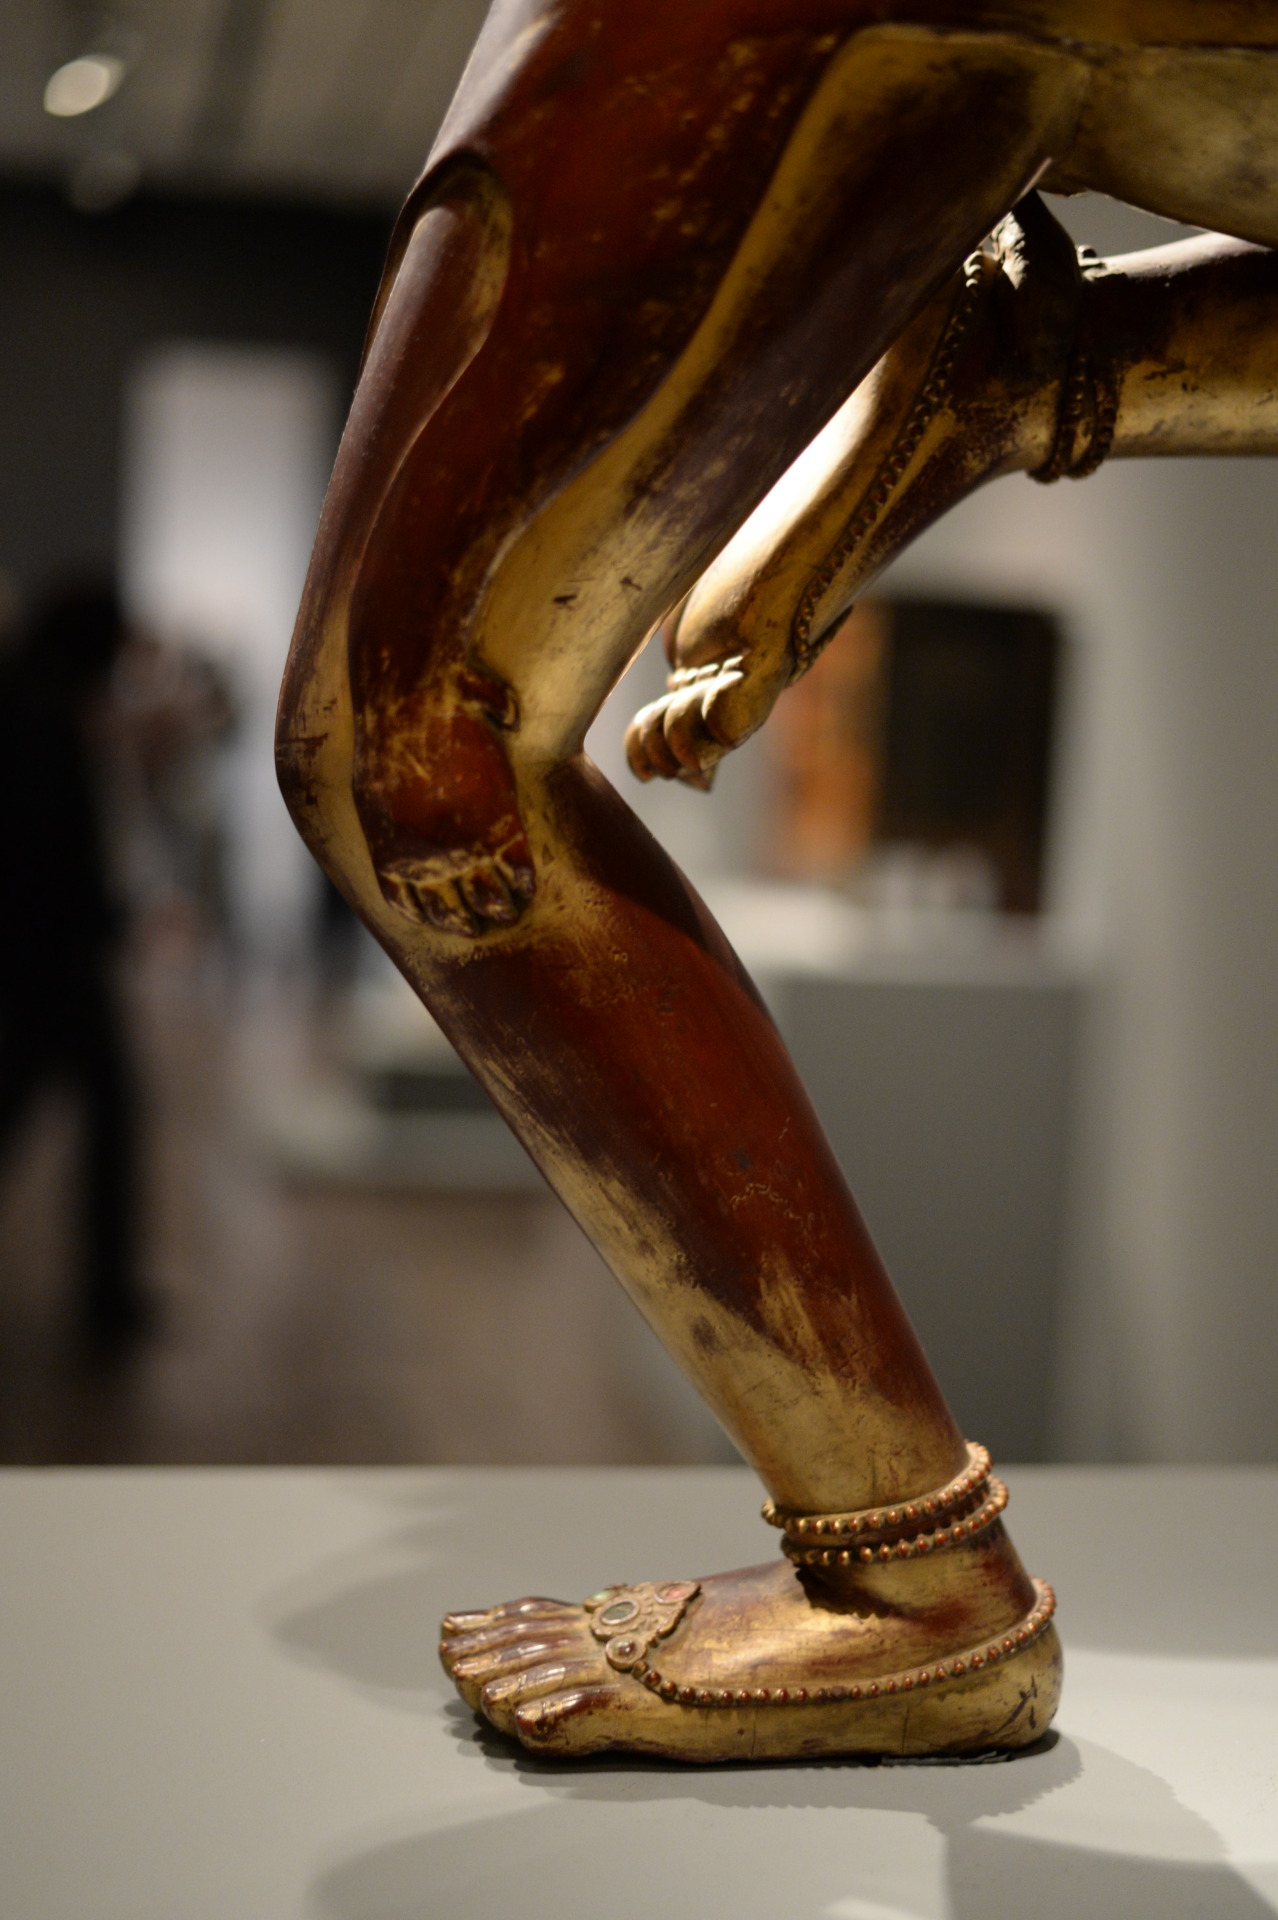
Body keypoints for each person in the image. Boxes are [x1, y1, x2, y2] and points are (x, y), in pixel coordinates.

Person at [0, 580, 151, 1350]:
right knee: (106, 1113)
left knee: (103, 1114)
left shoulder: (37, 703)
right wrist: (108, 918)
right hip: (47, 964)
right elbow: (47, 853)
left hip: (43, 961)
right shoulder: (43, 717)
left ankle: (111, 1296)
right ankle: (109, 1299)